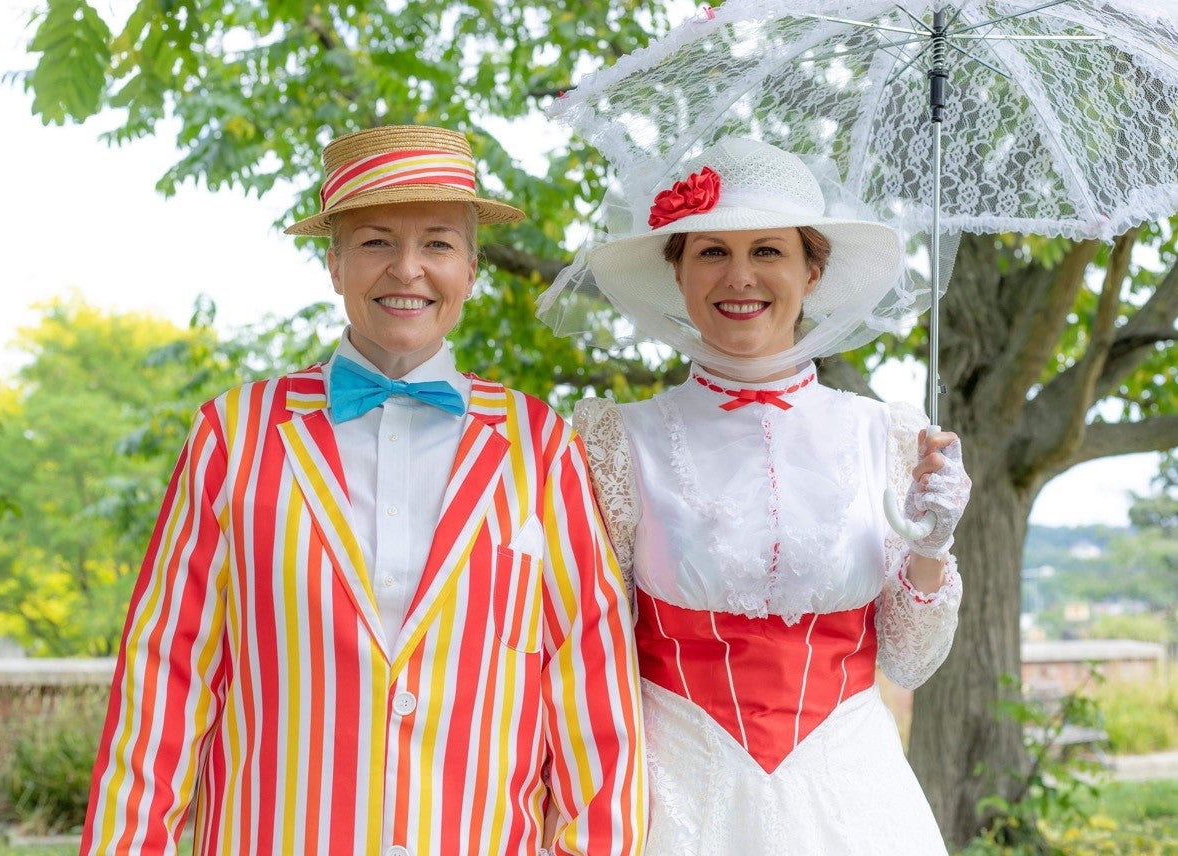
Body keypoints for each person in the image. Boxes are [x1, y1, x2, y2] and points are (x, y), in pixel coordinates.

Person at [81, 125, 646, 856]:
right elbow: (164, 678)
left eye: (438, 243)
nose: (407, 269)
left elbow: (590, 685)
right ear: (334, 263)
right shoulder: (235, 435)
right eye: (377, 241)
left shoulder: (541, 447)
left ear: (472, 268)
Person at [543, 137, 971, 854]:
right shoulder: (614, 443)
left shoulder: (889, 437)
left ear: (812, 270)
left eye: (768, 251)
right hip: (673, 795)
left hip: (854, 802)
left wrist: (931, 547)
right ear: (676, 273)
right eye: (712, 251)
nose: (739, 277)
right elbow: (586, 648)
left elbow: (910, 661)